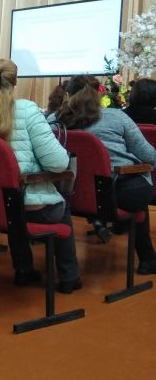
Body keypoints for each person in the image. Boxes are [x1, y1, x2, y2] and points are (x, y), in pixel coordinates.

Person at [0, 59, 81, 293]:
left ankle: (24, 268)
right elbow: (58, 163)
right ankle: (69, 277)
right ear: (14, 82)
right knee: (59, 206)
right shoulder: (27, 111)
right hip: (27, 205)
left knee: (11, 201)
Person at [52, 74, 156, 274]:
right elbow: (149, 156)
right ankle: (147, 259)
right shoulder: (116, 117)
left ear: (68, 94)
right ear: (98, 94)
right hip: (115, 194)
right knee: (138, 187)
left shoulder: (54, 121)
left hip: (72, 194)